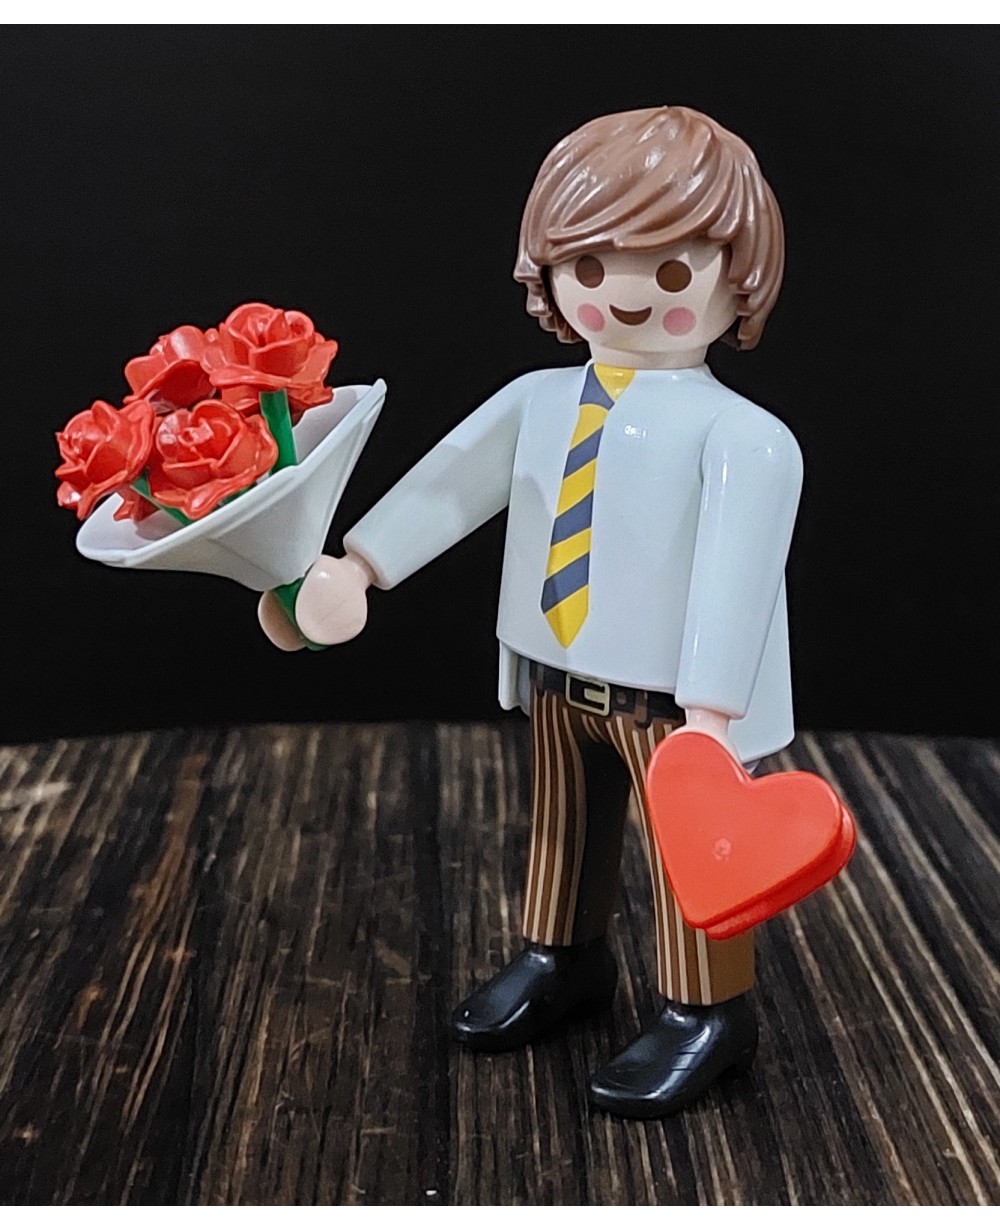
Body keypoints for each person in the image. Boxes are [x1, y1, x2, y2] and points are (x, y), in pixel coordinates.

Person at [259, 106, 803, 1119]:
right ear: (546, 274)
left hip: (673, 703)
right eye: (590, 267)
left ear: (742, 280)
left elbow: (738, 576)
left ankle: (706, 1010)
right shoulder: (538, 401)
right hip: (554, 668)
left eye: (671, 270)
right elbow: (449, 483)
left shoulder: (746, 438)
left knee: (693, 848)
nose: (626, 295)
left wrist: (710, 716)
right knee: (561, 825)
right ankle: (561, 956)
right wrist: (361, 568)